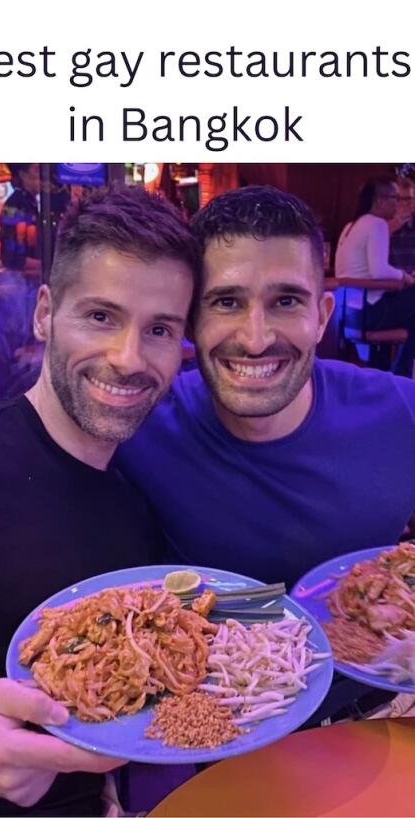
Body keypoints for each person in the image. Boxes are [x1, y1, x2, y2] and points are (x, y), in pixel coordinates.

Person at [116, 185, 415, 716]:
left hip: (375, 713)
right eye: (227, 302)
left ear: (322, 314)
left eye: (286, 301)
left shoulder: (399, 412)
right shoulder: (138, 423)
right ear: (192, 319)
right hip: (210, 721)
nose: (255, 339)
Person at [0, 186, 199, 817]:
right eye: (100, 316)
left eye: (160, 330)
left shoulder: (143, 499)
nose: (127, 357)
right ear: (44, 313)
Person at [335, 175, 415, 376]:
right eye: (394, 198)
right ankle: (400, 374)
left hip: (349, 313)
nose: (398, 204)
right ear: (379, 201)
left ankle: (386, 372)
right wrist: (404, 277)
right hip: (370, 314)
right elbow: (379, 271)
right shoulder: (376, 224)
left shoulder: (350, 226)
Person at [0, 163, 42, 273]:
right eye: (37, 170)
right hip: (20, 279)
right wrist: (43, 265)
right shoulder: (15, 204)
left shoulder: (30, 202)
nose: (42, 176)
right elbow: (11, 254)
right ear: (22, 175)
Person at [389, 176, 415, 272]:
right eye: (398, 199)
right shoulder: (378, 224)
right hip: (386, 284)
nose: (404, 203)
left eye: (408, 199)